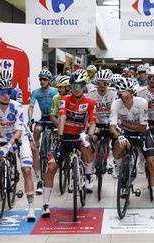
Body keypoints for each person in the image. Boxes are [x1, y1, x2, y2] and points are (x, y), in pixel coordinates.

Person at [41, 72, 96, 218]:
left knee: (86, 146)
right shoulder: (65, 99)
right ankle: (46, 204)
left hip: (80, 135)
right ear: (70, 87)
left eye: (79, 86)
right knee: (51, 168)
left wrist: (89, 135)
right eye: (73, 86)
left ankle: (89, 175)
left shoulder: (90, 102)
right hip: (64, 135)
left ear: (84, 87)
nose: (76, 88)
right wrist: (59, 134)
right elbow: (63, 116)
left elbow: (92, 122)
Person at [109, 76, 154, 217]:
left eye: (129, 93)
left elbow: (141, 127)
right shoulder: (115, 104)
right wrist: (119, 135)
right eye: (123, 94)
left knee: (152, 165)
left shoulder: (142, 102)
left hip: (143, 133)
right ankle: (120, 169)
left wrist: (123, 123)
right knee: (118, 146)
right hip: (126, 134)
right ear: (119, 94)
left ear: (133, 92)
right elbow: (112, 126)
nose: (127, 96)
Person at [0, 79, 36, 221]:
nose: (6, 95)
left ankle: (31, 208)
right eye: (2, 92)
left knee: (26, 170)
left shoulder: (17, 106)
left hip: (19, 137)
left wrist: (7, 146)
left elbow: (18, 132)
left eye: (9, 92)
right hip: (2, 135)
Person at [28, 70, 58, 194]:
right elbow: (31, 107)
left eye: (45, 79)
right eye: (40, 79)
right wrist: (30, 119)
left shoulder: (55, 91)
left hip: (54, 119)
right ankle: (37, 146)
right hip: (43, 118)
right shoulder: (36, 92)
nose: (42, 81)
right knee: (37, 129)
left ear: (49, 80)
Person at [87, 69, 117, 187]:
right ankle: (90, 170)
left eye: (105, 83)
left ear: (109, 83)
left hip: (111, 122)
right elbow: (88, 112)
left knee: (117, 143)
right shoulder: (91, 93)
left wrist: (113, 125)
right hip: (97, 124)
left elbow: (115, 111)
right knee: (91, 143)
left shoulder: (114, 92)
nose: (102, 86)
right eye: (100, 83)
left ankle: (116, 165)